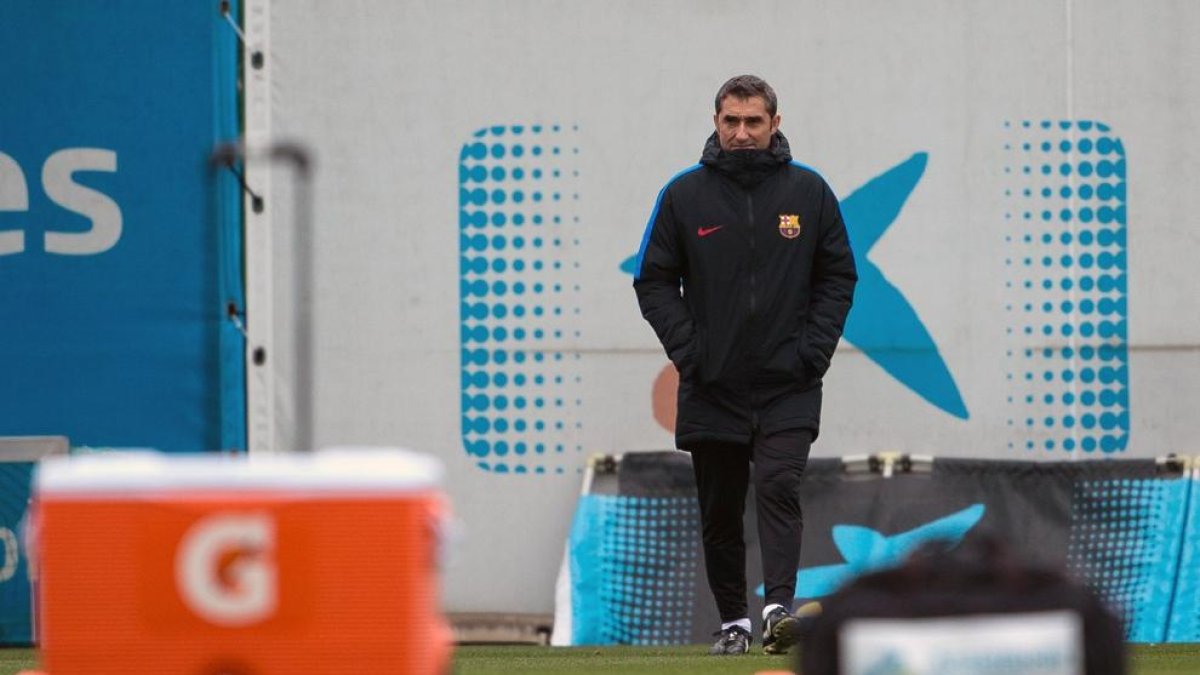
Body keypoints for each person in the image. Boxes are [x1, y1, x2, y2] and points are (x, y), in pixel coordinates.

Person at [632, 75, 857, 656]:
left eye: (753, 122)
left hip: (790, 382)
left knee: (780, 484)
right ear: (715, 122)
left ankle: (778, 609)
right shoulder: (685, 196)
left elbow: (838, 276)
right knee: (720, 507)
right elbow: (653, 280)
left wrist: (814, 351)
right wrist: (691, 351)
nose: (741, 133)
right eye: (730, 121)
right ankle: (734, 619)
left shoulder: (809, 193)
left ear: (775, 124)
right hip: (713, 384)